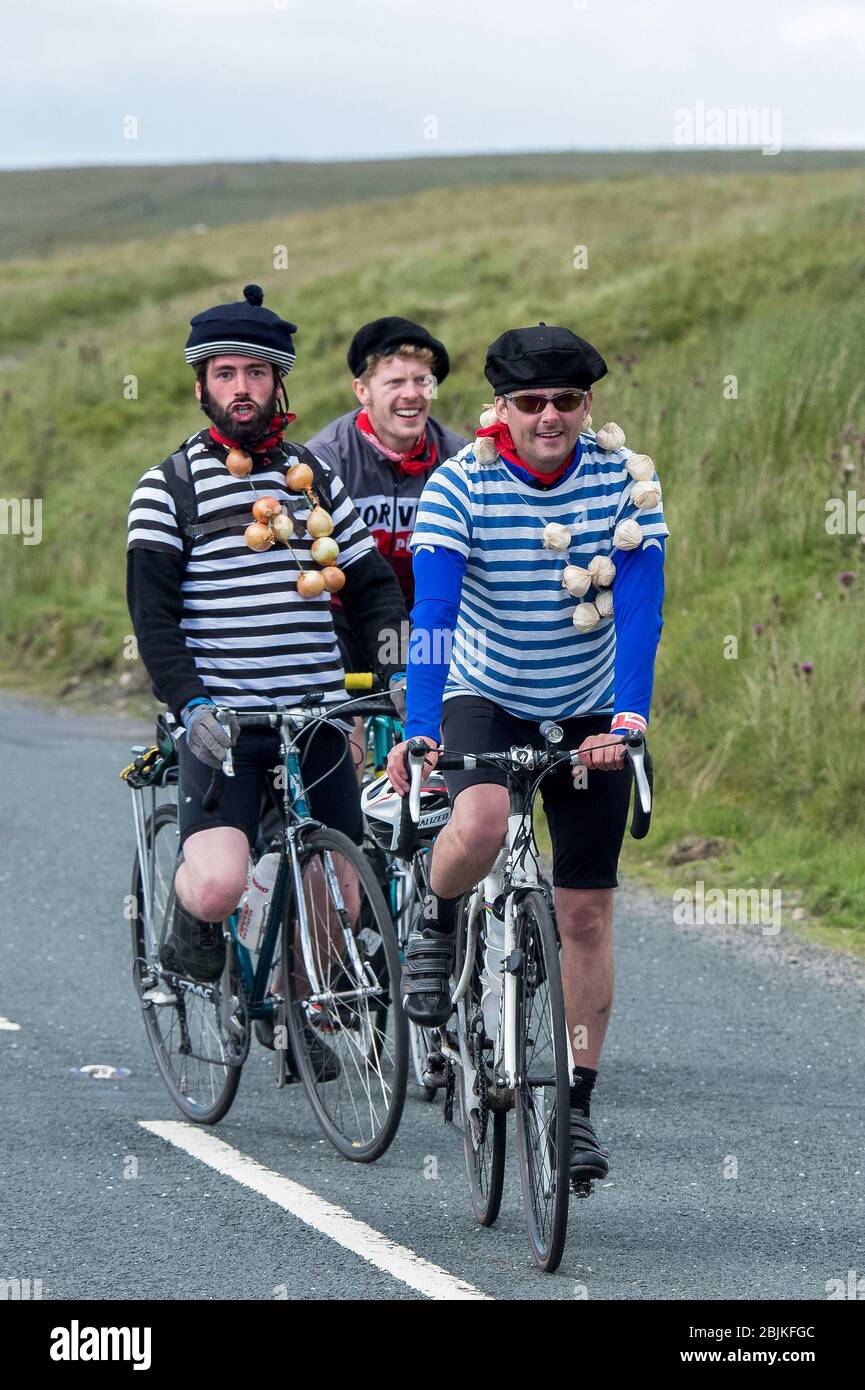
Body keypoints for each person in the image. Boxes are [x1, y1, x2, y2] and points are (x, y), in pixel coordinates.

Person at [386, 322, 669, 1180]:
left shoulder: (627, 484)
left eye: (567, 402)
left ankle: (575, 1106)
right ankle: (433, 917)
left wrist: (627, 720)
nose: (549, 416)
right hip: (486, 694)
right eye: (529, 403)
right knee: (478, 821)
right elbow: (431, 616)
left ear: (589, 405)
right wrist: (421, 727)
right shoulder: (457, 484)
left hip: (586, 707)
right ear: (500, 408)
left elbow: (641, 610)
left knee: (583, 912)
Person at [127, 285, 407, 1012]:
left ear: (277, 381)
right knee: (219, 883)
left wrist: (388, 675)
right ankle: (189, 926)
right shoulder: (168, 488)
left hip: (315, 717)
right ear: (201, 386)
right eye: (225, 374)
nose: (241, 389)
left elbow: (374, 585)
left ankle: (301, 1005)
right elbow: (152, 618)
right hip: (224, 726)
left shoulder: (313, 484)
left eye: (255, 373)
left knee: (339, 891)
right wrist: (190, 704)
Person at [305, 317, 466, 778]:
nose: (412, 394)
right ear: (363, 391)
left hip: (426, 612)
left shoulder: (457, 457)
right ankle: (343, 832)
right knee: (344, 736)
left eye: (423, 381)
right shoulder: (325, 458)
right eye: (395, 381)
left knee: (446, 725)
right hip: (343, 611)